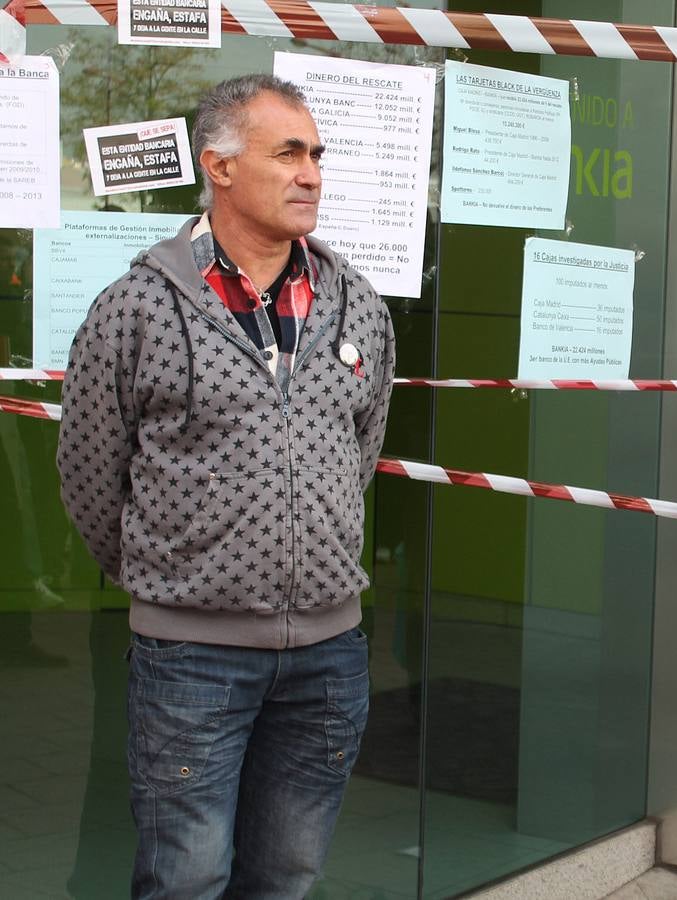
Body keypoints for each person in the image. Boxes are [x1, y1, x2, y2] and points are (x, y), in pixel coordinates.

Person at [56, 74, 396, 898]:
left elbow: (360, 453)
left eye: (316, 154)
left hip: (328, 659)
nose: (312, 172)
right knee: (185, 878)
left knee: (287, 876)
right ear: (220, 166)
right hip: (192, 661)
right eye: (288, 153)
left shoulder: (359, 309)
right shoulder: (137, 307)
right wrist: (175, 584)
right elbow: (91, 475)